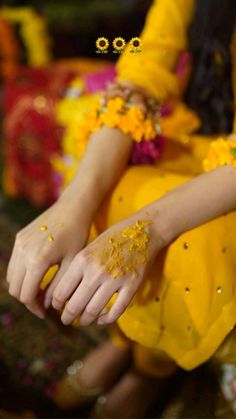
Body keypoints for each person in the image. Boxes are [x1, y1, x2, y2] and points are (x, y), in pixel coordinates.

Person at [6, 0, 236, 417]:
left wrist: (148, 229)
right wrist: (73, 203)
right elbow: (146, 65)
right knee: (105, 187)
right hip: (204, 133)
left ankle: (152, 369)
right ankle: (129, 342)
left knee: (192, 245)